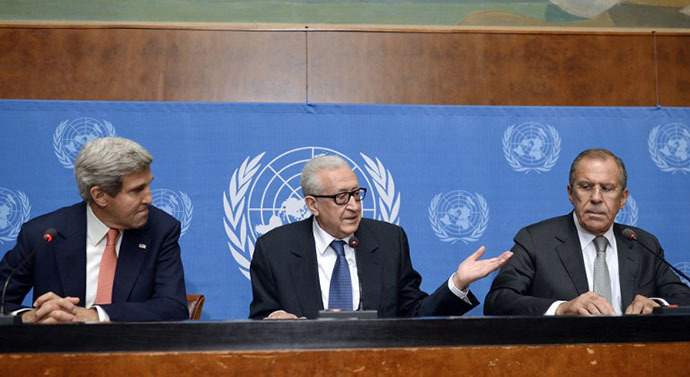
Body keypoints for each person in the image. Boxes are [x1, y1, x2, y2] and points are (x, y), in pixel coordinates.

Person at [249, 155, 512, 319]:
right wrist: (275, 318)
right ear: (312, 204)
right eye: (341, 197)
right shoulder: (274, 248)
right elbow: (262, 314)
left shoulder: (389, 240)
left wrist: (457, 283)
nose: (353, 205)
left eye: (356, 193)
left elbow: (415, 312)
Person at [0, 137, 188, 323]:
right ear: (100, 196)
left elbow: (173, 306)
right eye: (137, 190)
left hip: (130, 348)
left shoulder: (161, 229)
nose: (149, 198)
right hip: (57, 348)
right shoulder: (43, 234)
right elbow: (3, 299)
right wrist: (29, 317)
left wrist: (95, 315)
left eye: (148, 185)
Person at [484, 148, 690, 316]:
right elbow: (498, 301)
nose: (596, 198)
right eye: (586, 186)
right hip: (563, 357)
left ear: (623, 198)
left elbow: (683, 298)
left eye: (607, 188)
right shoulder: (536, 241)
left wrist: (656, 304)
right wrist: (561, 308)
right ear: (571, 194)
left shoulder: (643, 243)